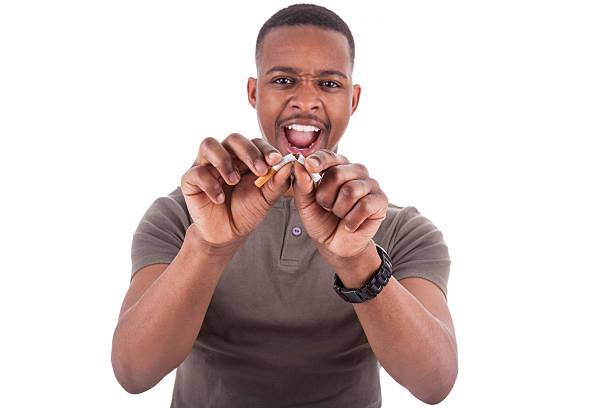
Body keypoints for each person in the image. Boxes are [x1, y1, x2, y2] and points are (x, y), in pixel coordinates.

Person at [111, 4, 457, 407]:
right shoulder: (184, 214)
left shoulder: (402, 231)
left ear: (353, 98)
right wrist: (208, 247)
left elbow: (435, 383)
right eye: (284, 79)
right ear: (254, 92)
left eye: (329, 84)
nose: (305, 101)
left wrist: (358, 261)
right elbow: (134, 372)